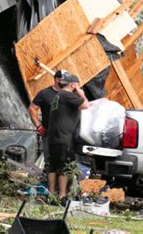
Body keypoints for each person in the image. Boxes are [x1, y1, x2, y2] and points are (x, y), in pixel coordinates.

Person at [47, 72, 90, 205]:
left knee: (53, 166)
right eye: (77, 85)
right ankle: (61, 197)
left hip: (54, 137)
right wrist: (81, 93)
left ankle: (51, 195)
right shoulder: (67, 95)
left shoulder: (58, 95)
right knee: (64, 166)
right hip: (63, 137)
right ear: (73, 85)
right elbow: (85, 105)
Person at [28, 70, 67, 171]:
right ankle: (50, 184)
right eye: (63, 80)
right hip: (49, 134)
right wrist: (38, 126)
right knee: (50, 162)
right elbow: (32, 108)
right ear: (56, 79)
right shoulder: (44, 94)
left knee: (66, 162)